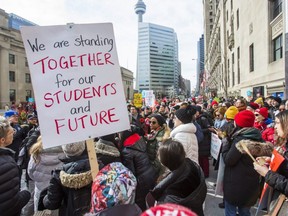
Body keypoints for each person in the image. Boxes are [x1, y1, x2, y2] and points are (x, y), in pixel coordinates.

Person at [222, 110, 268, 216]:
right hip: (251, 185)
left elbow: (229, 160)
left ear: (238, 123)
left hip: (235, 185)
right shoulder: (258, 137)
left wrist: (225, 146)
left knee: (231, 211)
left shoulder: (240, 140)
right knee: (245, 211)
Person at [42, 141, 102, 216]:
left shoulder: (58, 174)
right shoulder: (98, 167)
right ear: (83, 147)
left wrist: (44, 198)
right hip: (95, 213)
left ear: (64, 150)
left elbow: (52, 203)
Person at [150, 139, 207, 216]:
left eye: (159, 154)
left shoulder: (168, 196)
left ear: (165, 161)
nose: (158, 156)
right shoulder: (191, 166)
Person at [254, 110, 288, 214]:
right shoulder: (284, 143)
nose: (275, 127)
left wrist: (267, 174)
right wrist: (272, 160)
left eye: (278, 123)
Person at [120, 125, 158, 211]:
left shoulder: (127, 151)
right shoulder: (140, 140)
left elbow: (131, 173)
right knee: (149, 199)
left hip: (141, 180)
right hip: (150, 174)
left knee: (141, 203)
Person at [0, 119, 31, 216]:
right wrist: (26, 194)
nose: (14, 132)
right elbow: (11, 204)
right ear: (2, 140)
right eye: (10, 132)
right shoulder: (7, 164)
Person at [28, 136, 65, 215]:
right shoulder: (64, 153)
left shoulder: (36, 153)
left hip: (40, 191)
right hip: (59, 194)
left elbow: (30, 172)